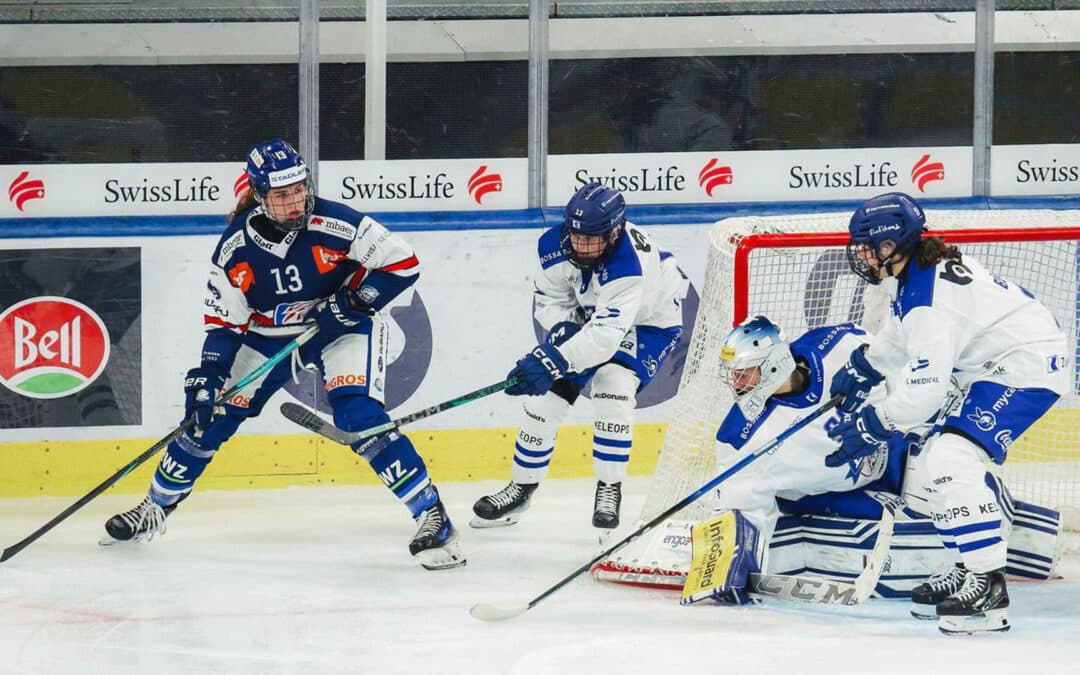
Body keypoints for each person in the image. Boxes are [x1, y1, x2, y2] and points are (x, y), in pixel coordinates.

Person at [100, 139, 465, 571]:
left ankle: (432, 516)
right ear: (258, 196)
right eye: (280, 195)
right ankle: (154, 508)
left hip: (343, 327)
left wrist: (353, 302)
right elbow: (224, 326)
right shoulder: (235, 249)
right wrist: (209, 374)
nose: (294, 202)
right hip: (267, 336)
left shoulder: (337, 221)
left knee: (358, 417)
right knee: (209, 418)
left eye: (298, 189)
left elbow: (403, 264)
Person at [826, 192, 1069, 633]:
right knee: (924, 462)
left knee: (949, 460)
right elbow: (902, 337)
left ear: (888, 246)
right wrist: (866, 364)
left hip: (1026, 364)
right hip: (994, 363)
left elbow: (924, 389)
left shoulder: (928, 300)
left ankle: (988, 584)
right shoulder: (917, 272)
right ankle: (966, 565)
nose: (859, 255)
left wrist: (874, 422)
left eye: (865, 246)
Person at [470, 182, 686, 536]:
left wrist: (553, 359)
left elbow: (605, 339)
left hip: (649, 324)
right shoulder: (552, 245)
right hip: (594, 316)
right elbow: (550, 299)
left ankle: (609, 488)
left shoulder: (628, 265)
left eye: (592, 239)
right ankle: (521, 489)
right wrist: (560, 333)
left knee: (613, 388)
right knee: (544, 402)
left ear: (615, 231)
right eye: (575, 236)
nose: (581, 246)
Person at [695, 315, 909, 604]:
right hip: (828, 498)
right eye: (734, 374)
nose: (737, 383)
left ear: (773, 364)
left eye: (745, 373)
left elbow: (899, 369)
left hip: (893, 455)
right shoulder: (738, 436)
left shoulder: (839, 343)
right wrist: (728, 565)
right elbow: (741, 505)